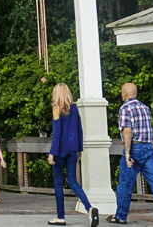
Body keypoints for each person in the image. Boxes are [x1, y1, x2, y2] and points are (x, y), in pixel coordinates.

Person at [107, 83, 153, 227]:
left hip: (134, 149)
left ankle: (120, 216)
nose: (121, 94)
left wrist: (127, 153)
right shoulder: (145, 108)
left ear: (126, 93)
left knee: (125, 185)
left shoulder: (125, 108)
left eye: (122, 91)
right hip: (148, 148)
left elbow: (127, 131)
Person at [47, 83, 98, 226]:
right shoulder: (74, 108)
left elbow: (57, 133)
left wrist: (52, 153)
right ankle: (89, 208)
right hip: (73, 149)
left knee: (58, 182)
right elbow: (79, 130)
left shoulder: (56, 108)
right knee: (72, 181)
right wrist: (80, 149)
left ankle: (60, 217)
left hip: (60, 150)